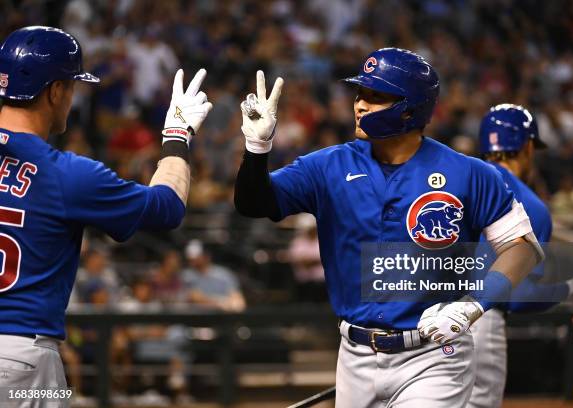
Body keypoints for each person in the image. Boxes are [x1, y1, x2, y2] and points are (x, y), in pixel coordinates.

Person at [234, 48, 544, 407]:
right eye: (360, 94)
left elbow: (522, 248)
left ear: (411, 109)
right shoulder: (326, 166)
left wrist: (472, 305)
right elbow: (253, 203)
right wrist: (257, 148)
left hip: (435, 354)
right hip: (354, 355)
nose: (360, 105)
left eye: (376, 97)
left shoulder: (470, 173)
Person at [0, 26, 212, 405]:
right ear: (54, 91)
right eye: (71, 86)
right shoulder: (68, 174)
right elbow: (166, 208)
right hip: (22, 359)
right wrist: (177, 135)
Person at [468, 104, 573, 408]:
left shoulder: (452, 184)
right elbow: (518, 296)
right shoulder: (527, 204)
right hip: (478, 326)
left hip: (415, 317)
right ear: (528, 146)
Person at [182, 239, 246, 312]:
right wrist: (220, 302)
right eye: (190, 258)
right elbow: (194, 297)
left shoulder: (223, 274)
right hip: (194, 318)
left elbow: (238, 301)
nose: (192, 260)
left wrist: (232, 304)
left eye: (197, 257)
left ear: (206, 256)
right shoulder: (186, 275)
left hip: (221, 318)